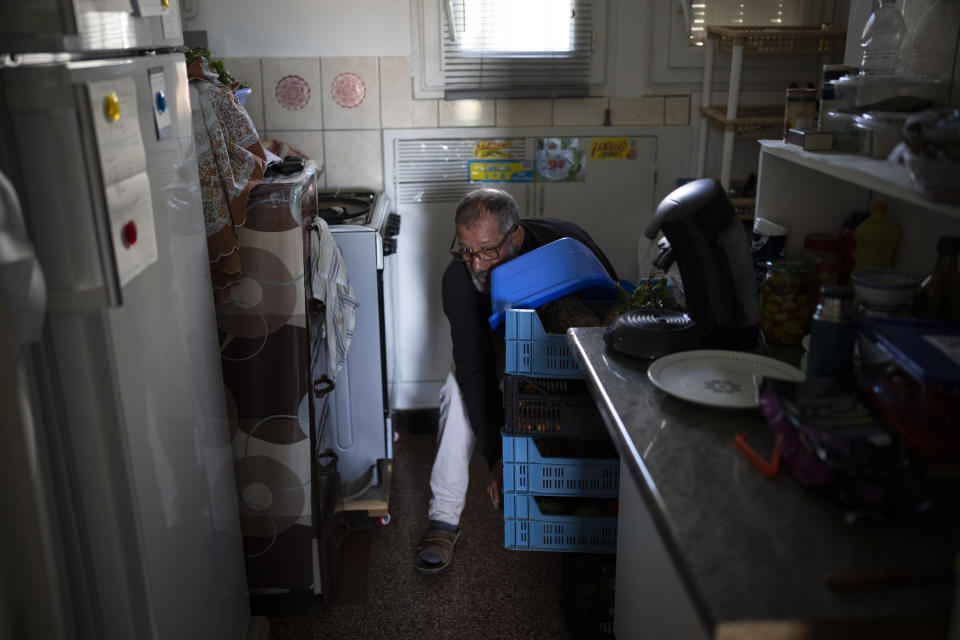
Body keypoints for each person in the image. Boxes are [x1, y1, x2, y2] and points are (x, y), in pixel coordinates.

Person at [413, 188, 617, 574]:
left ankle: (593, 501)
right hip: (498, 343)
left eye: (488, 250)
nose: (476, 265)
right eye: (467, 250)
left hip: (561, 338)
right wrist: (498, 460)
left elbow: (607, 304)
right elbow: (475, 371)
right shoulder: (460, 281)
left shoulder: (565, 243)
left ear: (516, 237)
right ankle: (443, 518)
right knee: (457, 392)